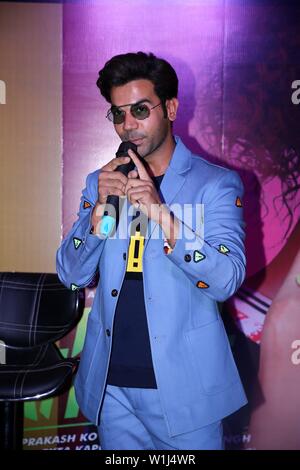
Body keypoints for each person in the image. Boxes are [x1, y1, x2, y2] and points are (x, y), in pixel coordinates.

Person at [56, 51, 247, 450]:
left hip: (184, 389)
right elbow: (71, 274)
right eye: (118, 113)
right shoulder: (102, 181)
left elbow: (226, 279)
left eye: (140, 110)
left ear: (171, 107)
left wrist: (163, 216)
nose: (129, 126)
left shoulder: (214, 184)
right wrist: (94, 222)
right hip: (113, 389)